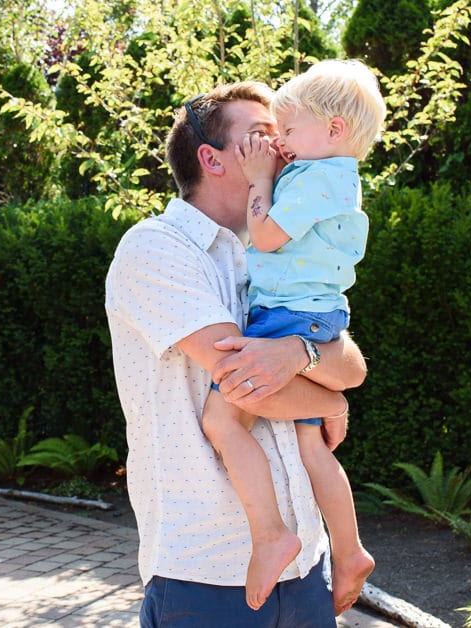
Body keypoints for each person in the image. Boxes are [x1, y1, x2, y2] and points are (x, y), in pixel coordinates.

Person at [105, 80, 368, 627]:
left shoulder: (273, 257)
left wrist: (301, 353)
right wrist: (331, 403)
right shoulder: (156, 248)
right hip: (208, 571)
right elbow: (248, 379)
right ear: (211, 158)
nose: (281, 147)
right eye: (261, 137)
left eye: (283, 134)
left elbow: (352, 367)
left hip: (305, 570)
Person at [199, 59, 384, 613]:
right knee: (309, 443)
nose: (279, 142)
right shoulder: (322, 175)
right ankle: (349, 551)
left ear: (334, 130)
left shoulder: (323, 178)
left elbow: (268, 235)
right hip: (306, 313)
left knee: (221, 417)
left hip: (290, 315)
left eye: (289, 130)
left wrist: (260, 178)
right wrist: (277, 170)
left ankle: (271, 534)